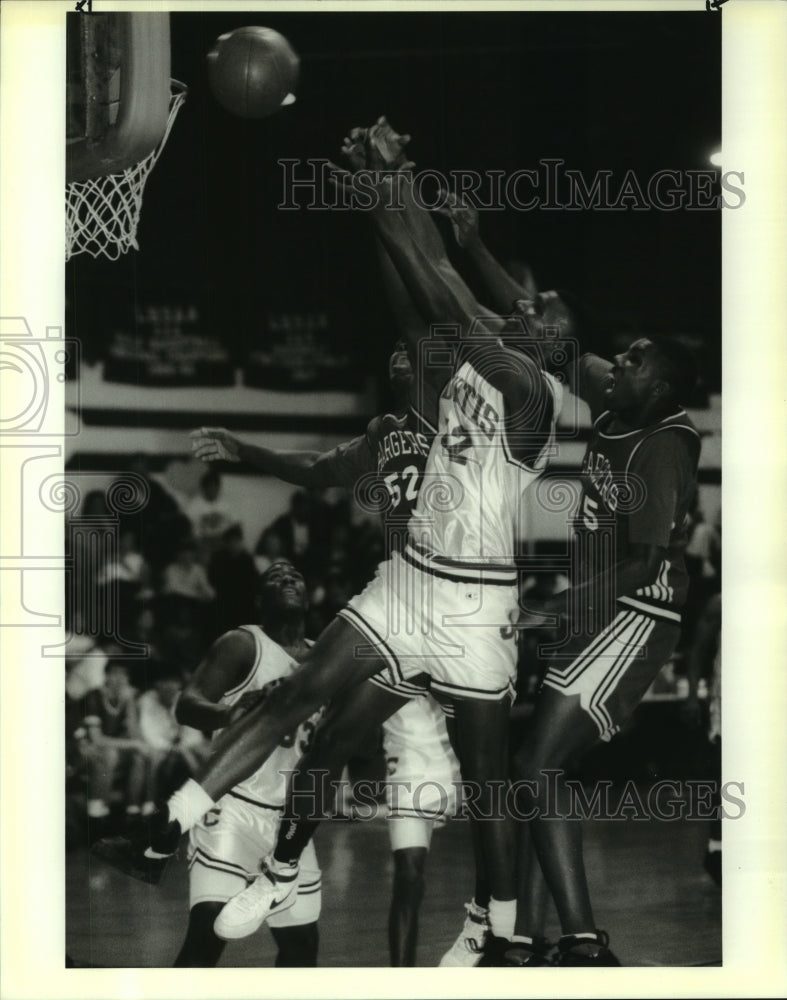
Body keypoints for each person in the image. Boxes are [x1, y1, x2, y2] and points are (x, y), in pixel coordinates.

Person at [92, 119, 580, 962]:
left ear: (551, 348)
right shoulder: (468, 369)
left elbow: (439, 287)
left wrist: (392, 185)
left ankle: (498, 936)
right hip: (409, 576)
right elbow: (416, 288)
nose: (523, 311)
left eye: (538, 313)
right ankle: (160, 836)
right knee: (299, 707)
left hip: (473, 603)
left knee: (487, 778)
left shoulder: (528, 391)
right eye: (524, 306)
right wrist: (384, 201)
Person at [190, 347, 462, 967]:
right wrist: (244, 450)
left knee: (505, 766)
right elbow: (313, 467)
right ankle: (249, 853)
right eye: (390, 354)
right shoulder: (383, 434)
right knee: (331, 735)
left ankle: (493, 919)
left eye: (411, 354)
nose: (397, 358)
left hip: (459, 595)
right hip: (403, 597)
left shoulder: (453, 420)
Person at [506, 336, 701, 966]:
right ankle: (528, 941)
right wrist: (474, 250)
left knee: (536, 766)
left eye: (635, 360)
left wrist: (556, 608)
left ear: (661, 388)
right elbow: (552, 347)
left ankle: (584, 942)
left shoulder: (664, 445)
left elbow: (646, 564)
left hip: (636, 614)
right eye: (620, 356)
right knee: (542, 774)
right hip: (600, 610)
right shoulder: (615, 397)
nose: (617, 363)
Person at [171, 560, 323, 967]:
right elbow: (186, 705)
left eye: (296, 576)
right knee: (208, 936)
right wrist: (227, 713)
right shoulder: (243, 643)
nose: (288, 579)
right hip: (234, 808)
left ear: (308, 597)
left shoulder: (323, 657)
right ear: (260, 601)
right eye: (275, 578)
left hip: (290, 824)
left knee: (302, 950)